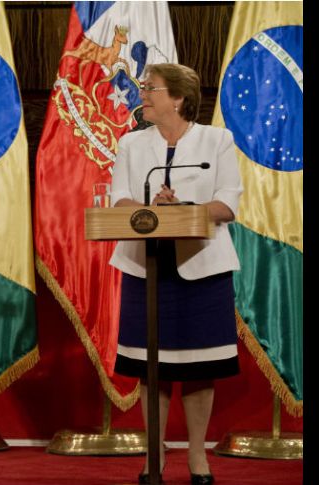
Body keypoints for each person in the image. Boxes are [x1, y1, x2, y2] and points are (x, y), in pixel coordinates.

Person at [109, 63, 243, 485]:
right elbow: (120, 201)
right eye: (144, 87)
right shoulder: (131, 143)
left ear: (179, 99)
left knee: (200, 367)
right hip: (145, 267)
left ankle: (198, 458)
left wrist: (183, 210)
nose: (143, 94)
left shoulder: (217, 140)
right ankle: (155, 456)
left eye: (151, 88)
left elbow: (227, 204)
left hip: (203, 267)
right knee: (153, 367)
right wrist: (153, 212)